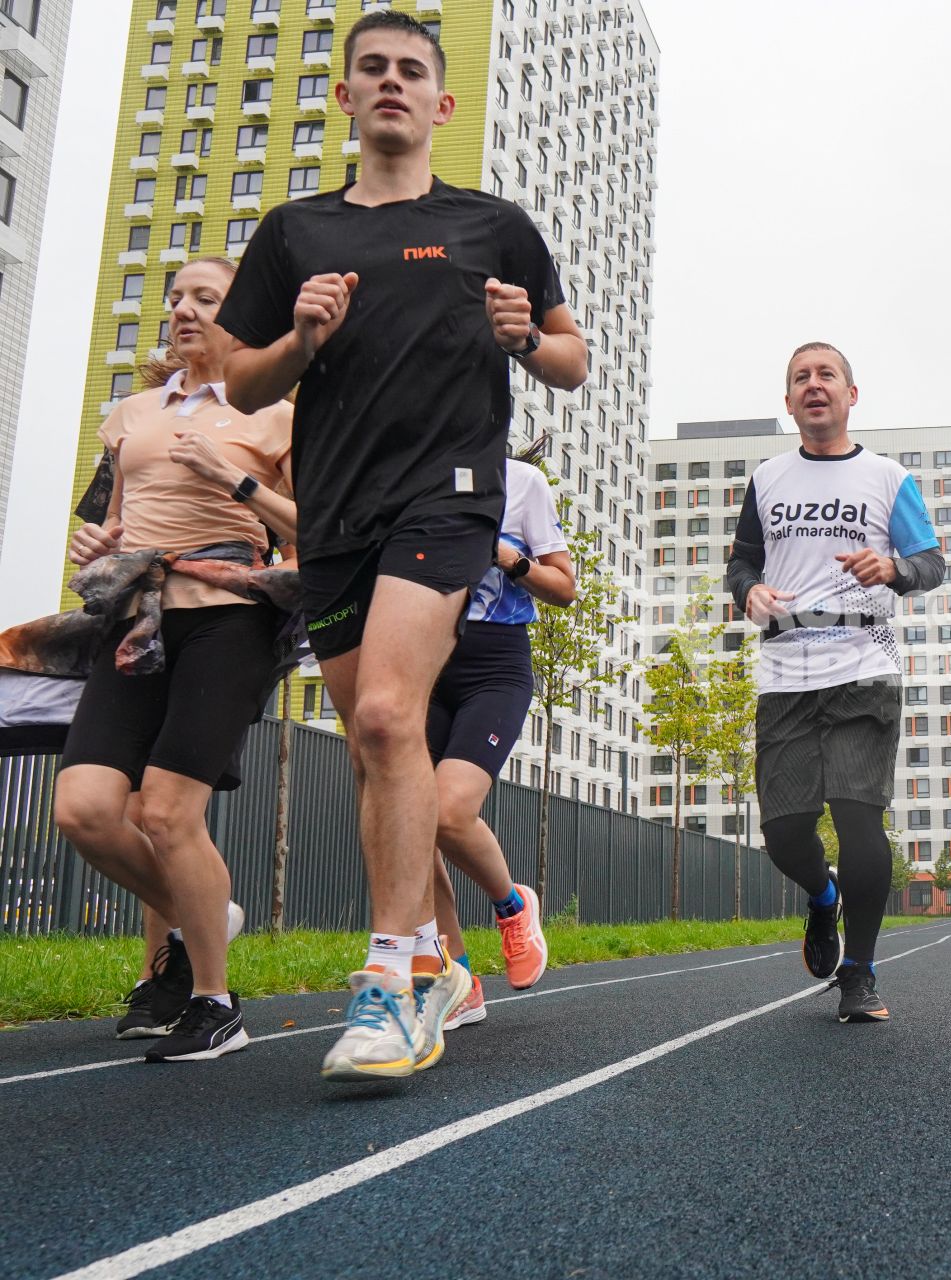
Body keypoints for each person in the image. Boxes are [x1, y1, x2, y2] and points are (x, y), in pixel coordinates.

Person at [217, 11, 589, 1081]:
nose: (390, 81)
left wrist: (526, 336)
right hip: (336, 508)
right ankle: (440, 955)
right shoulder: (294, 232)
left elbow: (571, 360)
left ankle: (393, 973)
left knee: (387, 713)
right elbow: (242, 382)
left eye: (410, 70)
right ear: (343, 96)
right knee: (378, 744)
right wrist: (301, 337)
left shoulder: (493, 224)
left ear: (441, 102)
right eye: (370, 68)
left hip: (452, 494)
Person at [52, 256, 298, 1062]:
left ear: (244, 319)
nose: (182, 310)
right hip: (137, 619)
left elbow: (315, 533)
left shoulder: (279, 416)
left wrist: (230, 480)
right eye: (176, 298)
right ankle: (206, 916)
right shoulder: (127, 415)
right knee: (86, 808)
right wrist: (100, 543)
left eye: (206, 298)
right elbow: (114, 521)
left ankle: (213, 1000)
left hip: (230, 622)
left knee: (164, 811)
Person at [724, 342, 944, 1023]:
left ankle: (859, 971)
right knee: (785, 833)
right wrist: (749, 592)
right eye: (800, 378)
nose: (813, 385)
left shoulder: (885, 477)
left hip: (863, 661)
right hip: (786, 670)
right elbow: (741, 564)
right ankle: (822, 899)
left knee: (858, 816)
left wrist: (893, 571)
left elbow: (931, 563)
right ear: (788, 402)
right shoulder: (767, 479)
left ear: (851, 395)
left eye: (826, 375)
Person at [418, 448, 576, 1033]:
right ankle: (458, 981)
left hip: (494, 665)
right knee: (412, 830)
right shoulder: (408, 472)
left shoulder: (523, 481)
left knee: (450, 811)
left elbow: (564, 587)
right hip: (419, 660)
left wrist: (507, 558)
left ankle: (512, 906)